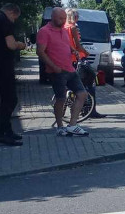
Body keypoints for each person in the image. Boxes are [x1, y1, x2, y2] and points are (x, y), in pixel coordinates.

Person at [38, 8, 88, 137]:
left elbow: (67, 44)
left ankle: (72, 125)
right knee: (61, 99)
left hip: (69, 68)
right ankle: (60, 127)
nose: (63, 21)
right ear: (53, 17)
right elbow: (40, 52)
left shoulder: (64, 30)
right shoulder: (44, 31)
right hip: (57, 71)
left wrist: (73, 51)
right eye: (60, 18)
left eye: (64, 18)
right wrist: (53, 67)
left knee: (82, 94)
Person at [0, 4, 26, 146]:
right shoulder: (4, 20)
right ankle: (3, 133)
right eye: (14, 18)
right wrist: (20, 45)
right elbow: (10, 45)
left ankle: (7, 130)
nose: (13, 21)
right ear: (11, 12)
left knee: (2, 98)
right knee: (10, 99)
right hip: (2, 64)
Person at [65, 8, 105, 118]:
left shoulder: (63, 27)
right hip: (78, 59)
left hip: (66, 60)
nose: (78, 18)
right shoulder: (74, 27)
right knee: (89, 84)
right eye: (77, 16)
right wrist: (86, 53)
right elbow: (78, 45)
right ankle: (90, 111)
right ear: (74, 17)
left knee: (71, 86)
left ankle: (74, 109)